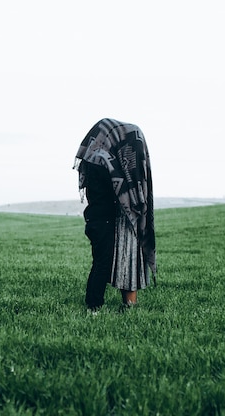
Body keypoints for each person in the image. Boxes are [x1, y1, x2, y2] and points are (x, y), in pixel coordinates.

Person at [74, 118, 156, 312]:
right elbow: (119, 191)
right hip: (103, 219)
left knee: (106, 261)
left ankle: (107, 305)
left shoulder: (95, 160)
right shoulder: (105, 165)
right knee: (104, 262)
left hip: (97, 219)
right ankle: (94, 306)